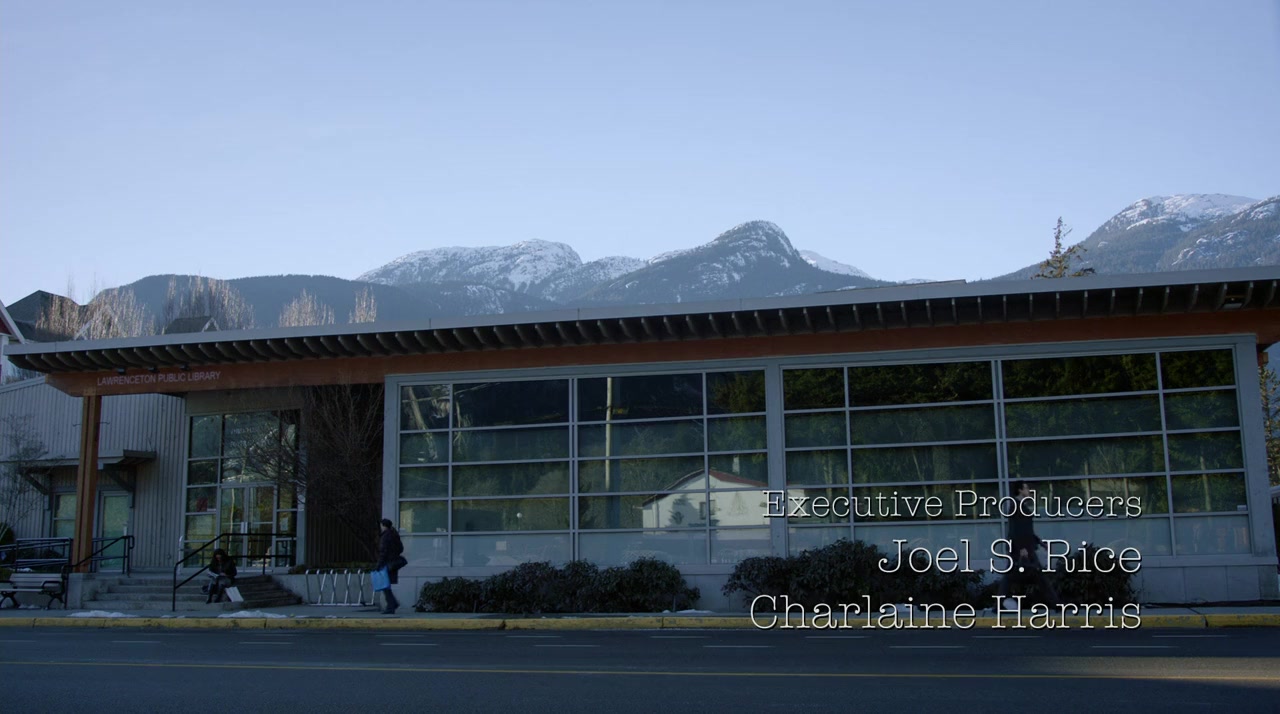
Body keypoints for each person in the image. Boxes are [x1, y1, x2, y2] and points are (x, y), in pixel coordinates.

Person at [997, 480, 1060, 607]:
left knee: (1029, 577)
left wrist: (1040, 542)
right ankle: (1057, 604)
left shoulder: (1020, 506)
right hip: (1021, 549)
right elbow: (1015, 530)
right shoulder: (1015, 506)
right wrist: (1021, 548)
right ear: (1020, 490)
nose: (1029, 490)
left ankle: (1056, 603)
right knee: (1029, 576)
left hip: (1025, 547)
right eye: (1026, 488)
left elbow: (1027, 530)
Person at [375, 518, 405, 614]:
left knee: (385, 585)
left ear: (383, 526)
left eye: (381, 525)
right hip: (393, 563)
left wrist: (379, 564)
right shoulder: (394, 535)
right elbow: (401, 548)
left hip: (387, 563)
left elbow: (383, 552)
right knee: (386, 585)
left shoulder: (385, 536)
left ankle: (391, 605)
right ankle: (392, 604)